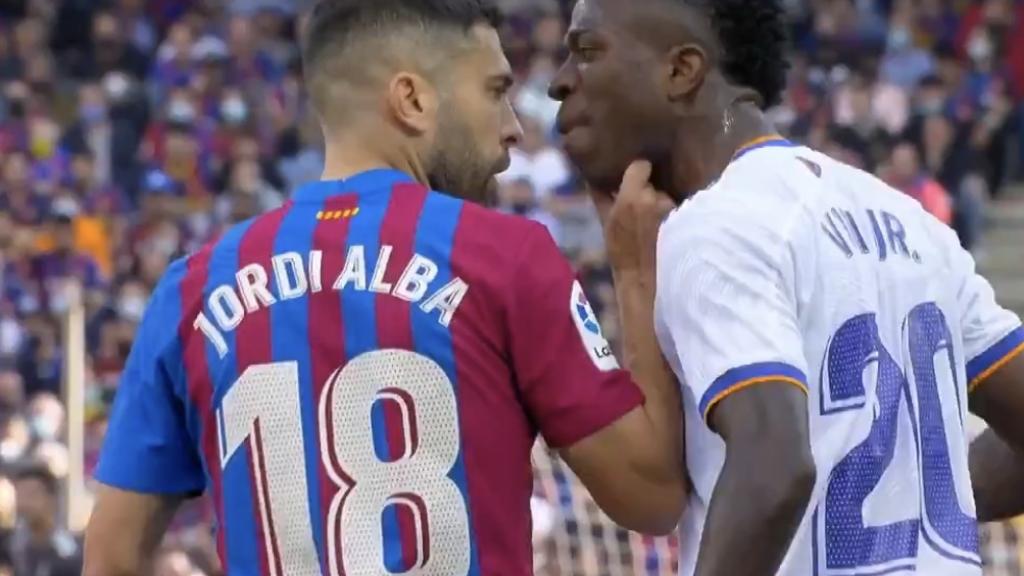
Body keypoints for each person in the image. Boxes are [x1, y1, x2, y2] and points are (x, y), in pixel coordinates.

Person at [83, 1, 686, 575]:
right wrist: (636, 272)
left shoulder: (190, 289)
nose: (513, 130)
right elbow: (651, 497)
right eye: (495, 92)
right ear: (413, 100)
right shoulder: (505, 258)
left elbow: (111, 559)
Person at [548, 0, 1024, 574]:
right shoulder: (908, 220)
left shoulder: (717, 222)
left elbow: (773, 466)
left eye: (587, 52)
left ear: (681, 71)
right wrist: (918, 491)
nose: (559, 81)